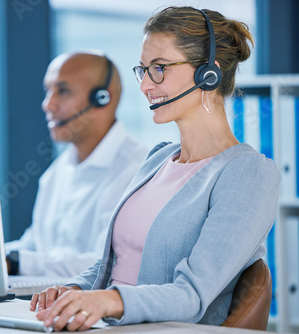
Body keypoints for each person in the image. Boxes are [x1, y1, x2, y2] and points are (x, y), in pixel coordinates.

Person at [30, 6, 281, 332]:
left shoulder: (248, 173)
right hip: (108, 324)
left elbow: (192, 295)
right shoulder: (158, 159)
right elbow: (114, 262)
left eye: (159, 68)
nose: (145, 85)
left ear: (209, 73)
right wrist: (74, 290)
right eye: (144, 69)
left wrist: (107, 301)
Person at [4, 52, 150, 277]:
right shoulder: (58, 171)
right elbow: (34, 245)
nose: (47, 105)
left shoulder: (137, 171)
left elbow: (107, 264)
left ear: (103, 98)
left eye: (63, 91)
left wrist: (15, 263)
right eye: (48, 90)